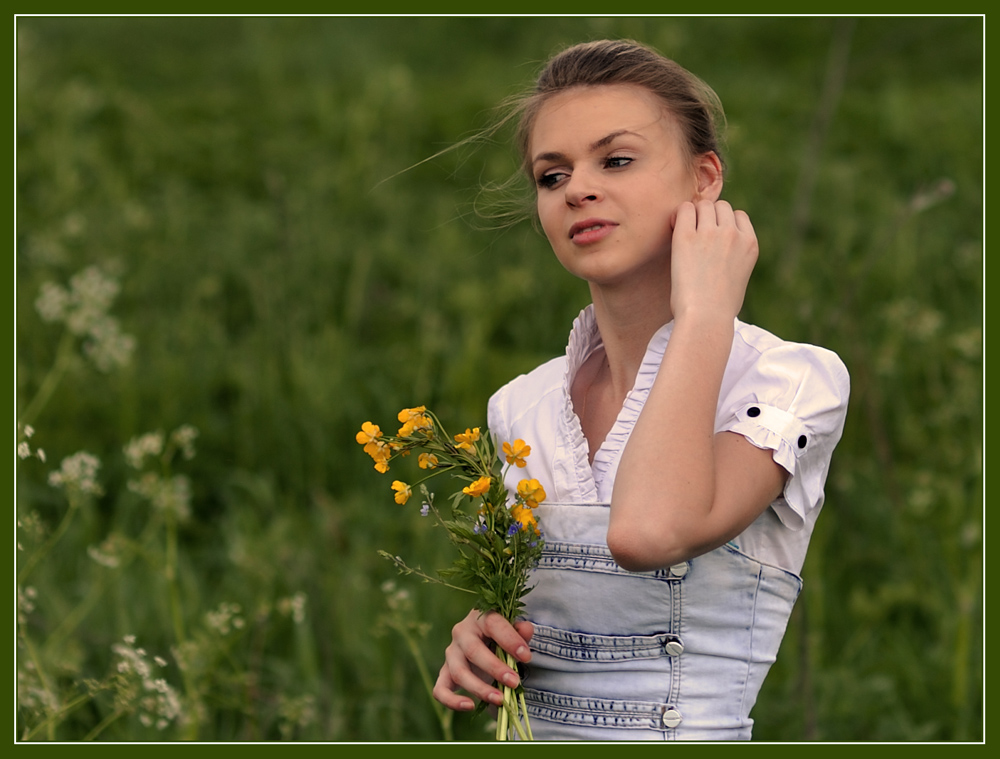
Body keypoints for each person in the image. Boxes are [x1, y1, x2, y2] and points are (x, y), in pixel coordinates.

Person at [431, 39, 850, 740]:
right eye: (551, 175)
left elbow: (648, 532)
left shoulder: (787, 379)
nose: (578, 189)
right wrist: (481, 638)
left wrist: (706, 316)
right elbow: (550, 614)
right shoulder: (520, 406)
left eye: (615, 159)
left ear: (703, 178)